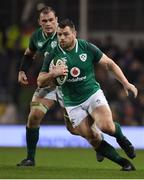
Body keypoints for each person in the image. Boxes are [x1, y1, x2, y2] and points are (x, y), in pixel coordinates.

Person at [37, 19, 138, 171]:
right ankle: (124, 163)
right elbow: (40, 81)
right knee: (93, 138)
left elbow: (109, 64)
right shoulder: (52, 54)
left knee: (107, 127)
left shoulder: (86, 47)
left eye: (66, 34)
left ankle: (122, 139)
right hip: (72, 103)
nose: (62, 38)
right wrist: (53, 73)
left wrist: (126, 83)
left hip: (92, 94)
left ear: (74, 34)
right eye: (59, 35)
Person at [17, 6, 103, 166]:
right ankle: (30, 158)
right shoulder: (36, 36)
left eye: (51, 20)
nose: (48, 23)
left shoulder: (64, 35)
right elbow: (29, 53)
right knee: (34, 116)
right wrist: (22, 70)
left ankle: (98, 141)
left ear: (56, 20)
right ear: (39, 22)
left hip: (68, 85)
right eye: (44, 21)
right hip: (49, 82)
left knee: (73, 129)